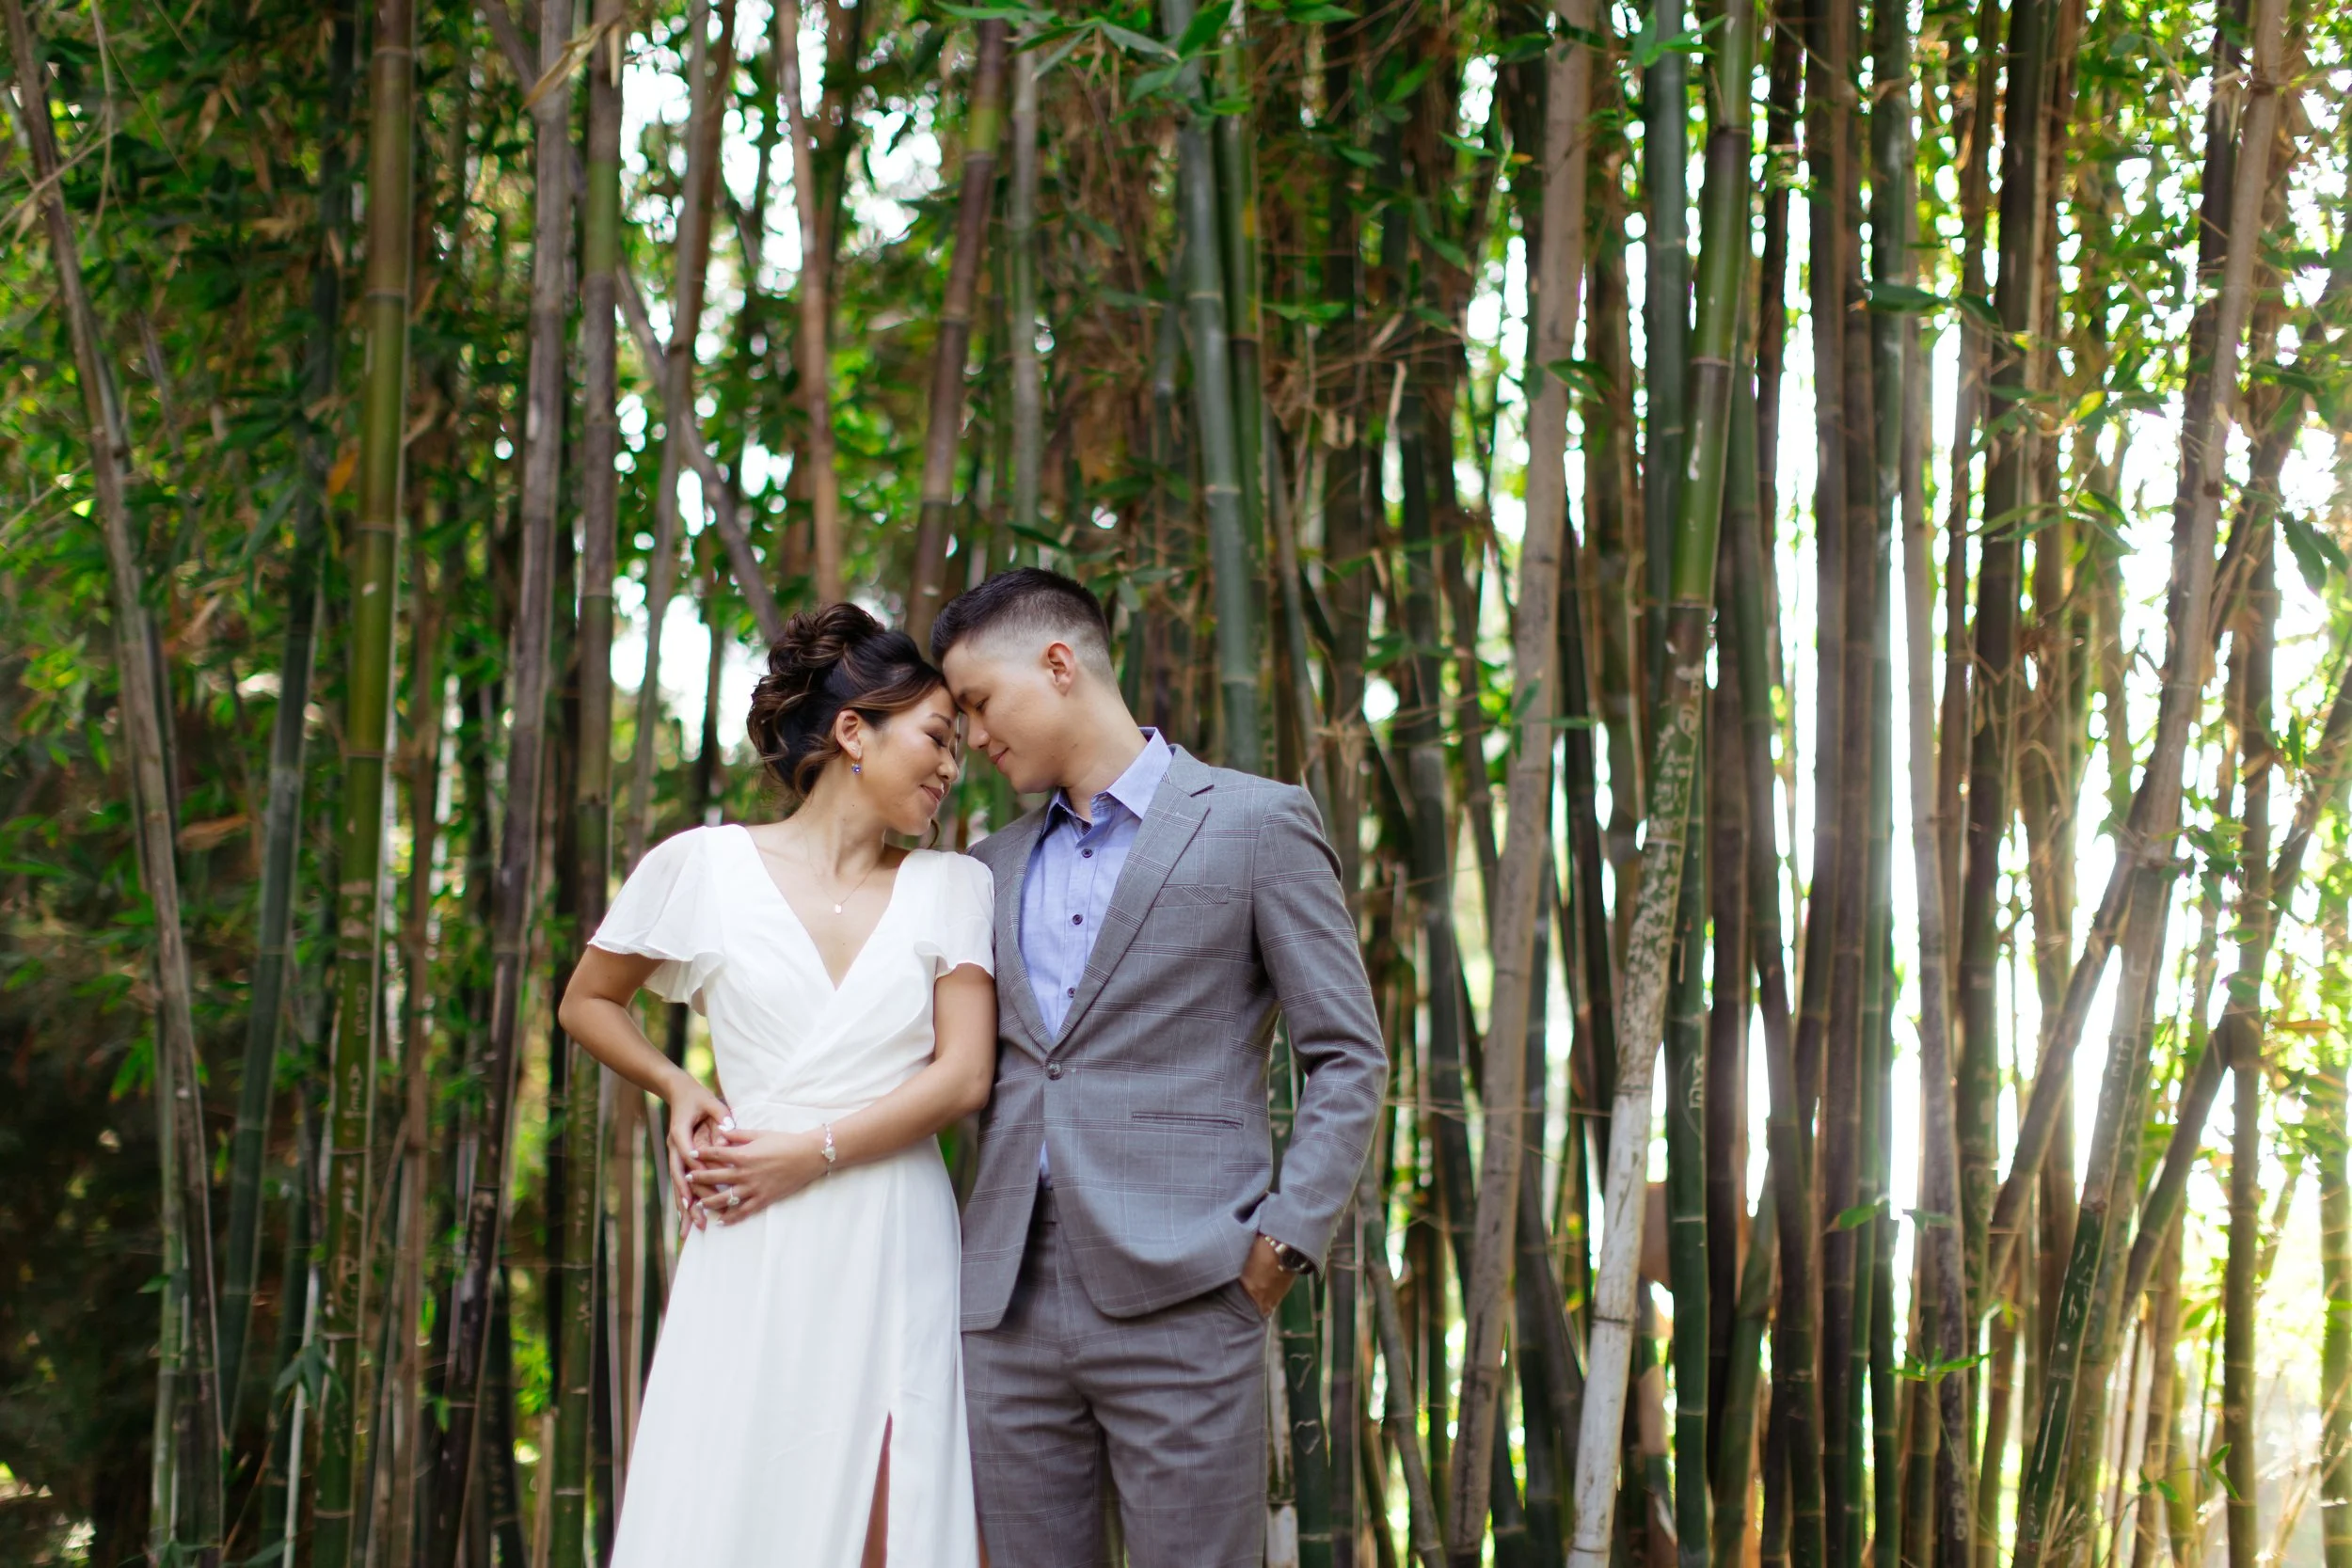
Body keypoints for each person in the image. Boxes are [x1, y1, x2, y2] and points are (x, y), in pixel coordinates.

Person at [931, 568, 1388, 1567]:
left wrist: (1280, 1244)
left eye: (975, 701)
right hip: (1005, 1300)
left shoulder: (1256, 823)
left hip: (1189, 1285)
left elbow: (1348, 1056)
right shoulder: (987, 861)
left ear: (1058, 665)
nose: (969, 733)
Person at [558, 604, 995, 1566]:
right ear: (852, 732)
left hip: (890, 1221)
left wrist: (817, 1149)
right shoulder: (701, 865)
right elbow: (589, 1001)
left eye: (957, 746)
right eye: (933, 737)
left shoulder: (952, 885)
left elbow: (965, 1074)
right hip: (749, 1214)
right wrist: (677, 1085)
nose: (950, 767)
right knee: (740, 1483)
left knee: (899, 1487)